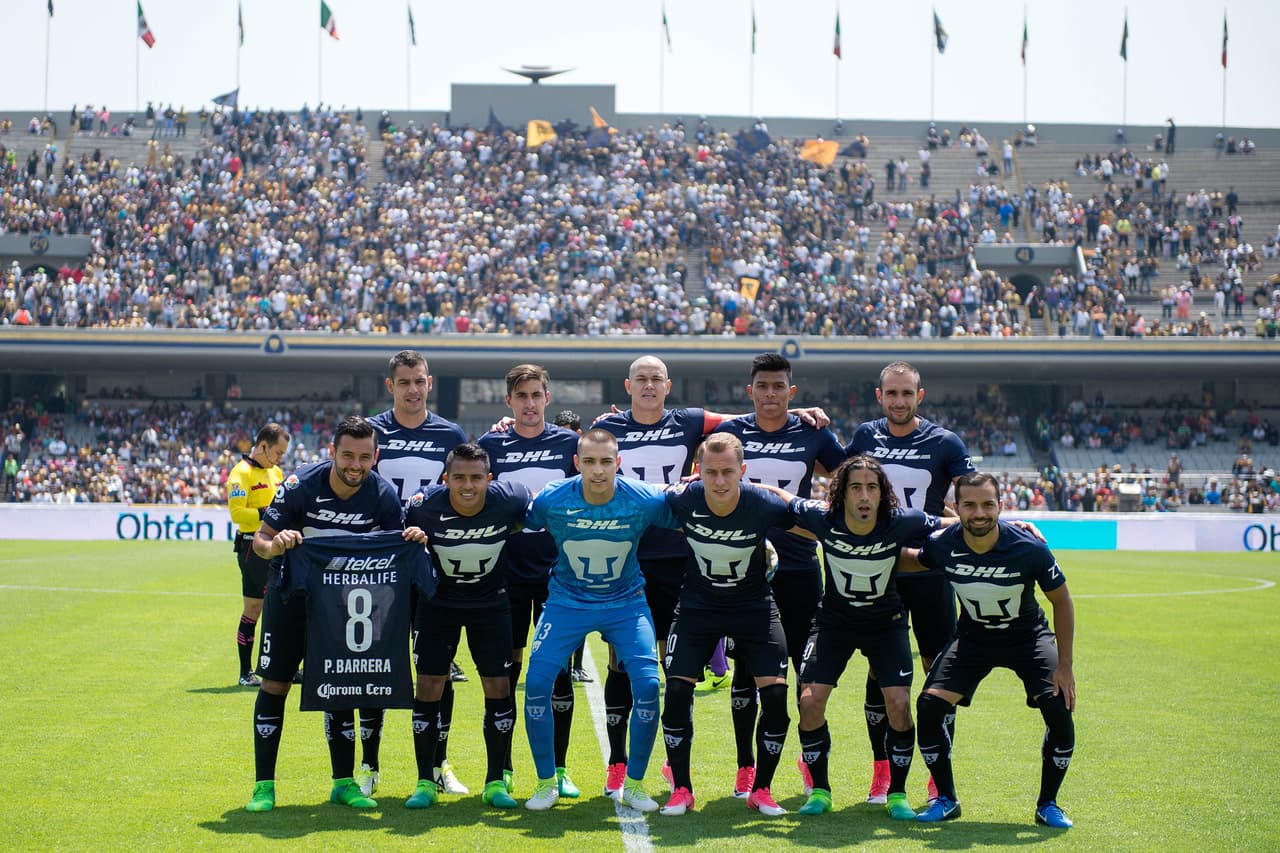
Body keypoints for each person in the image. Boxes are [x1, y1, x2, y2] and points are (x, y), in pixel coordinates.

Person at [246, 415, 424, 813]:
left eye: (364, 457)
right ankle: (263, 786)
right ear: (332, 453)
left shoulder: (381, 494)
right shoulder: (300, 485)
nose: (355, 465)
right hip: (290, 599)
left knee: (342, 685)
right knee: (274, 685)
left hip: (343, 606)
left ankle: (343, 782)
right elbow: (260, 539)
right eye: (347, 455)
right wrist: (276, 545)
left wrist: (410, 538)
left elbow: (394, 552)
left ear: (375, 457)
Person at [520, 428, 679, 812]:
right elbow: (513, 519)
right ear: (576, 463)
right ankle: (546, 783)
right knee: (538, 682)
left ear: (618, 463)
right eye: (589, 462)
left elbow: (690, 513)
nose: (597, 471)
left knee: (647, 685)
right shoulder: (554, 499)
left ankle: (636, 784)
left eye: (606, 462)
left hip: (626, 602)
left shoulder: (642, 499)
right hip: (567, 601)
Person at [909, 472, 1076, 829]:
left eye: (988, 504)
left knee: (1059, 710)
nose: (979, 512)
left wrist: (1065, 666)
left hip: (1027, 637)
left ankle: (1048, 804)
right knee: (928, 707)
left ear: (1001, 506)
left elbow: (1062, 602)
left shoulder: (1029, 547)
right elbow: (913, 559)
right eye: (969, 505)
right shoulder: (944, 544)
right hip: (973, 638)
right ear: (956, 507)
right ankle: (946, 798)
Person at [712, 353, 844, 798]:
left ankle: (810, 766)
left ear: (792, 391)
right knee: (748, 673)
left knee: (806, 674)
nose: (770, 394)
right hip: (743, 572)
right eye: (762, 386)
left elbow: (849, 477)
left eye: (779, 386)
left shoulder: (812, 433)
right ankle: (745, 769)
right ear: (750, 391)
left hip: (802, 566)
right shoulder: (731, 433)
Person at [787, 455, 948, 819]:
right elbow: (779, 500)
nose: (863, 495)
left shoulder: (901, 521)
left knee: (899, 705)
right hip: (833, 623)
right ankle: (821, 791)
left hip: (886, 624)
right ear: (841, 493)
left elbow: (951, 525)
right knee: (809, 700)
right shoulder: (823, 519)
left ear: (882, 494)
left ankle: (897, 794)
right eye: (855, 487)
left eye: (871, 487)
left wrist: (1010, 525)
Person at [844, 360, 974, 804]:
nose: (899, 401)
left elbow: (972, 495)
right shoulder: (864, 437)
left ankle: (939, 774)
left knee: (941, 675)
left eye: (907, 393)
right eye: (891, 393)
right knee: (881, 675)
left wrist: (1007, 528)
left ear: (920, 396)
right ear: (879, 396)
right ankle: (882, 772)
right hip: (880, 573)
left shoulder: (945, 442)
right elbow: (842, 488)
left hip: (931, 570)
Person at [658, 434, 799, 818]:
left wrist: (767, 487)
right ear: (697, 472)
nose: (719, 481)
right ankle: (682, 788)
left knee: (774, 697)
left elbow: (809, 514)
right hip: (698, 606)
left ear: (743, 472)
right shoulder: (682, 499)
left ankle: (762, 789)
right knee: (675, 690)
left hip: (753, 607)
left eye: (728, 472)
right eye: (711, 472)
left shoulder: (763, 503)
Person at [401, 443, 532, 810]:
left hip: (491, 604)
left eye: (476, 478)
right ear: (446, 479)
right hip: (438, 604)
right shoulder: (422, 506)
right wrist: (412, 538)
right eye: (459, 477)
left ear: (490, 479)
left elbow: (542, 514)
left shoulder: (511, 499)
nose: (468, 485)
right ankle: (425, 780)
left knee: (499, 686)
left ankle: (495, 781)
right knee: (428, 685)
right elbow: (395, 539)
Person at [367, 350, 468, 798]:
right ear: (391, 386)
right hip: (381, 570)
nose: (413, 389)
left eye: (420, 381)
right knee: (374, 665)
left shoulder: (450, 434)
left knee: (437, 670)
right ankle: (369, 764)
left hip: (434, 569)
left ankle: (438, 762)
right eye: (404, 382)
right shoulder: (371, 432)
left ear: (430, 383)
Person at [478, 365, 583, 800]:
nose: (529, 403)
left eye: (536, 394)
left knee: (559, 670)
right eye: (521, 395)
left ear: (547, 397)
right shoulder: (490, 445)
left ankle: (558, 769)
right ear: (509, 401)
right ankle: (501, 770)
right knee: (505, 673)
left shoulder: (569, 444)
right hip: (506, 574)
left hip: (559, 574)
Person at [225, 423, 290, 687]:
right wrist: (268, 513)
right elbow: (238, 515)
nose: (280, 458)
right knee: (254, 608)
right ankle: (245, 671)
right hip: (252, 546)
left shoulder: (276, 472)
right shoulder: (240, 474)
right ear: (263, 446)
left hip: (279, 547)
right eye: (278, 452)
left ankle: (284, 667)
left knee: (286, 606)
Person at [552, 409, 592, 684]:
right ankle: (558, 663)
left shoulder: (587, 462)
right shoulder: (552, 455)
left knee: (579, 606)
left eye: (571, 431)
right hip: (550, 539)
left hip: (578, 540)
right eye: (561, 430)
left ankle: (576, 665)